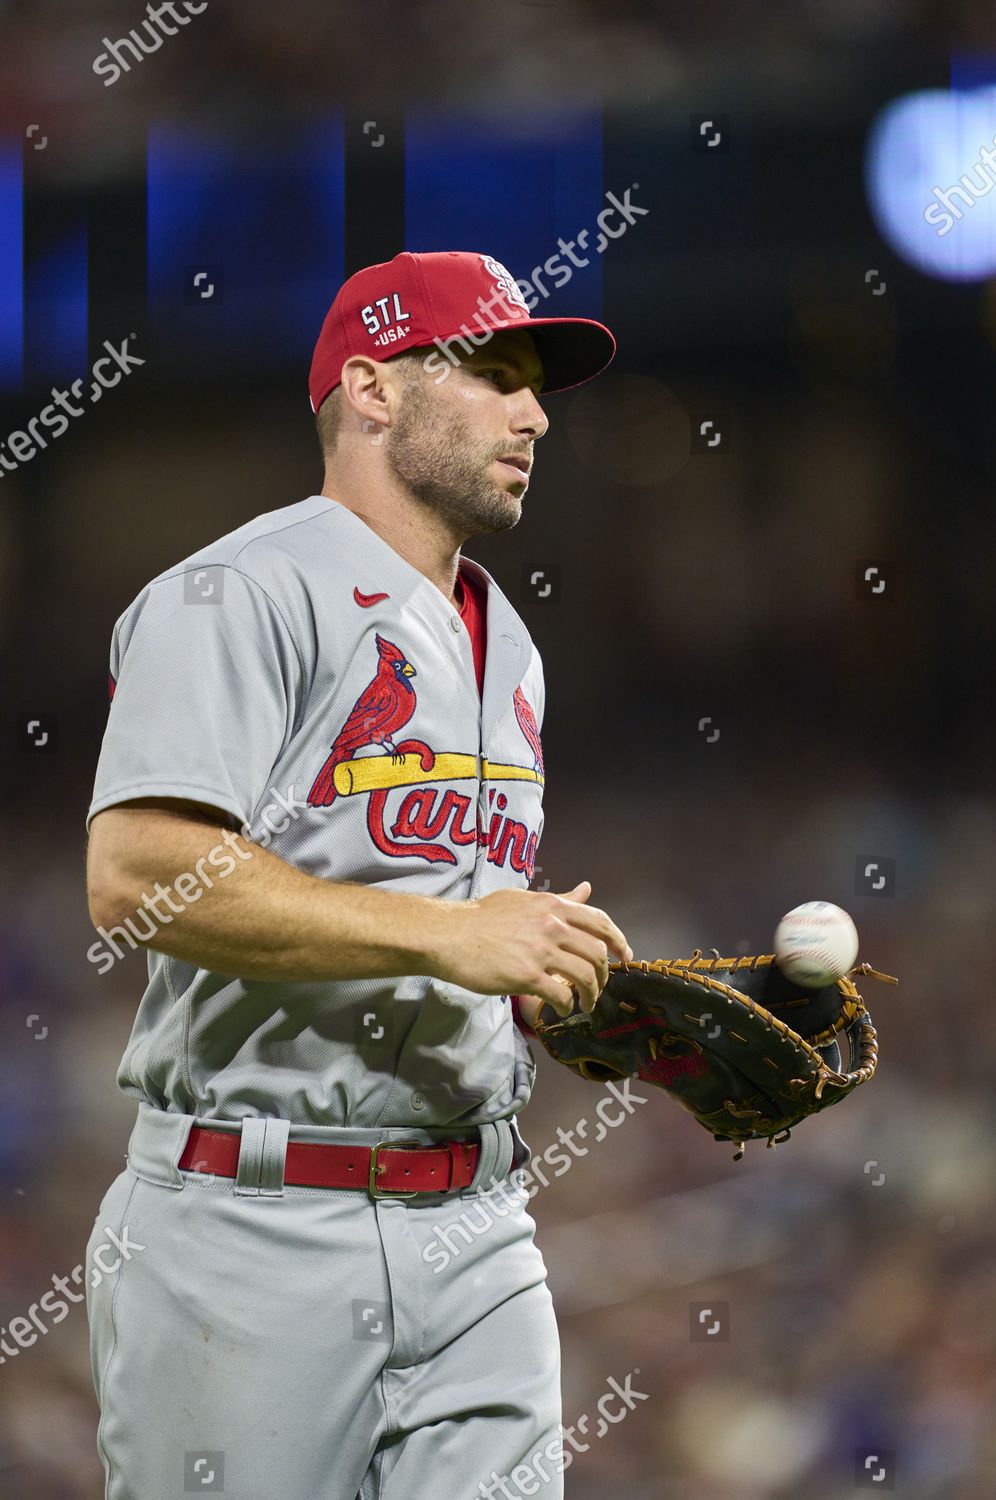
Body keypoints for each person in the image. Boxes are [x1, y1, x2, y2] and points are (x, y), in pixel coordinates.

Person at [84, 249, 630, 1500]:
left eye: (535, 386)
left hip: (482, 1218)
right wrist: (449, 941)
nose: (535, 412)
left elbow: (456, 921)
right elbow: (134, 873)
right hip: (252, 1224)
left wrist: (561, 981)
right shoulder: (239, 591)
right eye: (494, 372)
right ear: (375, 390)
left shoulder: (510, 639)